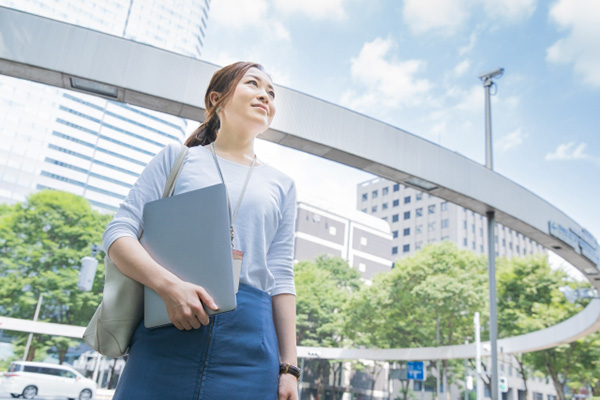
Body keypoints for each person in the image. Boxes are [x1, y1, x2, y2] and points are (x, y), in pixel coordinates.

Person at [102, 61, 299, 400]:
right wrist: (167, 285)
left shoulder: (283, 185)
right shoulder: (177, 159)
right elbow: (119, 233)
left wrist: (289, 368)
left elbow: (281, 275)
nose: (265, 95)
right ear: (217, 99)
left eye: (271, 92)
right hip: (168, 325)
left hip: (251, 341)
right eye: (253, 84)